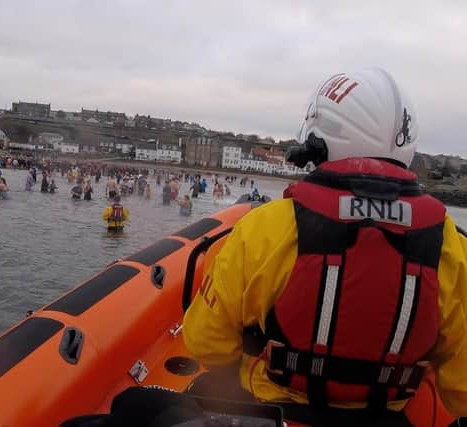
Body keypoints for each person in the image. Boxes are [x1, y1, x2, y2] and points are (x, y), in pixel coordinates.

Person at [182, 68, 467, 425]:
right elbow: (462, 390)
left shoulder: (264, 229)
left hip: (272, 408)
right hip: (387, 415)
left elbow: (206, 341)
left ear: (320, 140)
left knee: (136, 405)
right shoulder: (452, 247)